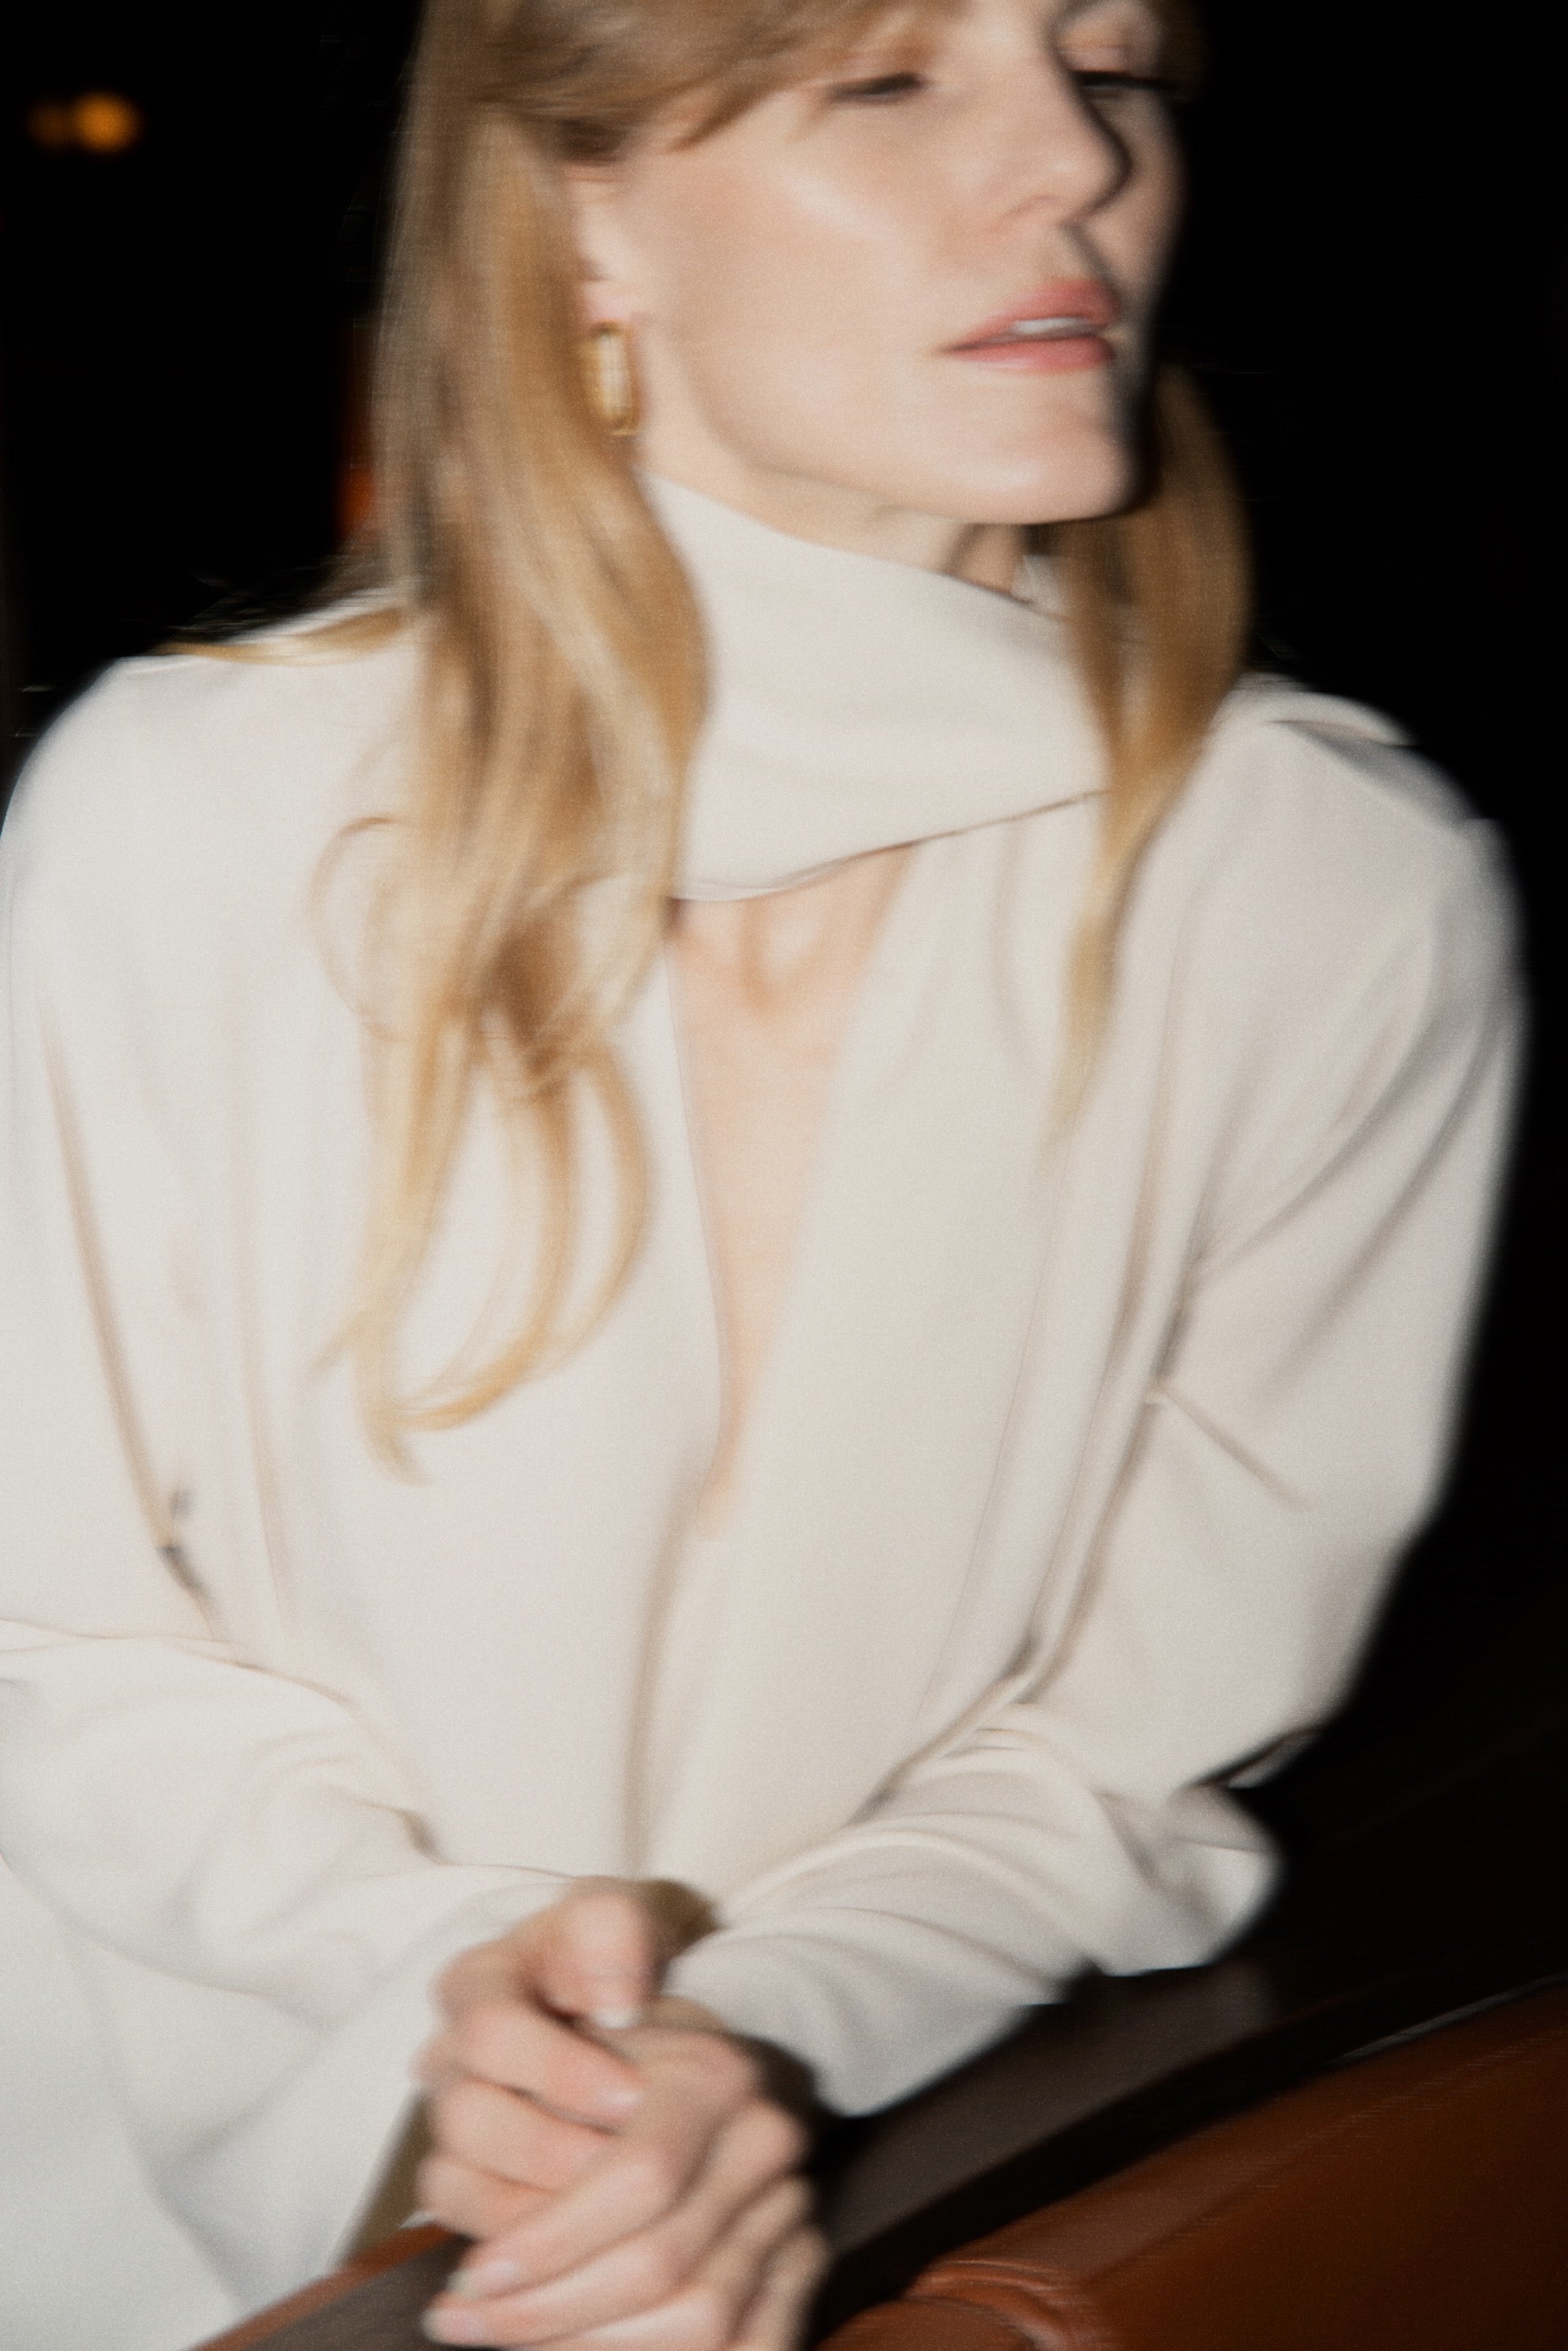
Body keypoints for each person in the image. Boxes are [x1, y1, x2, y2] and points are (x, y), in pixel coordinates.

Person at [0, 1, 1520, 2347]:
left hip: (834, 2197)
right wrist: (460, 2003)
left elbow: (1132, 1753)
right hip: (149, 2203)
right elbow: (49, 1632)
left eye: (1114, 62)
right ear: (580, 219)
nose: (1077, 166)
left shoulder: (1331, 895)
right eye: (890, 77)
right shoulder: (194, 815)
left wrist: (740, 2049)